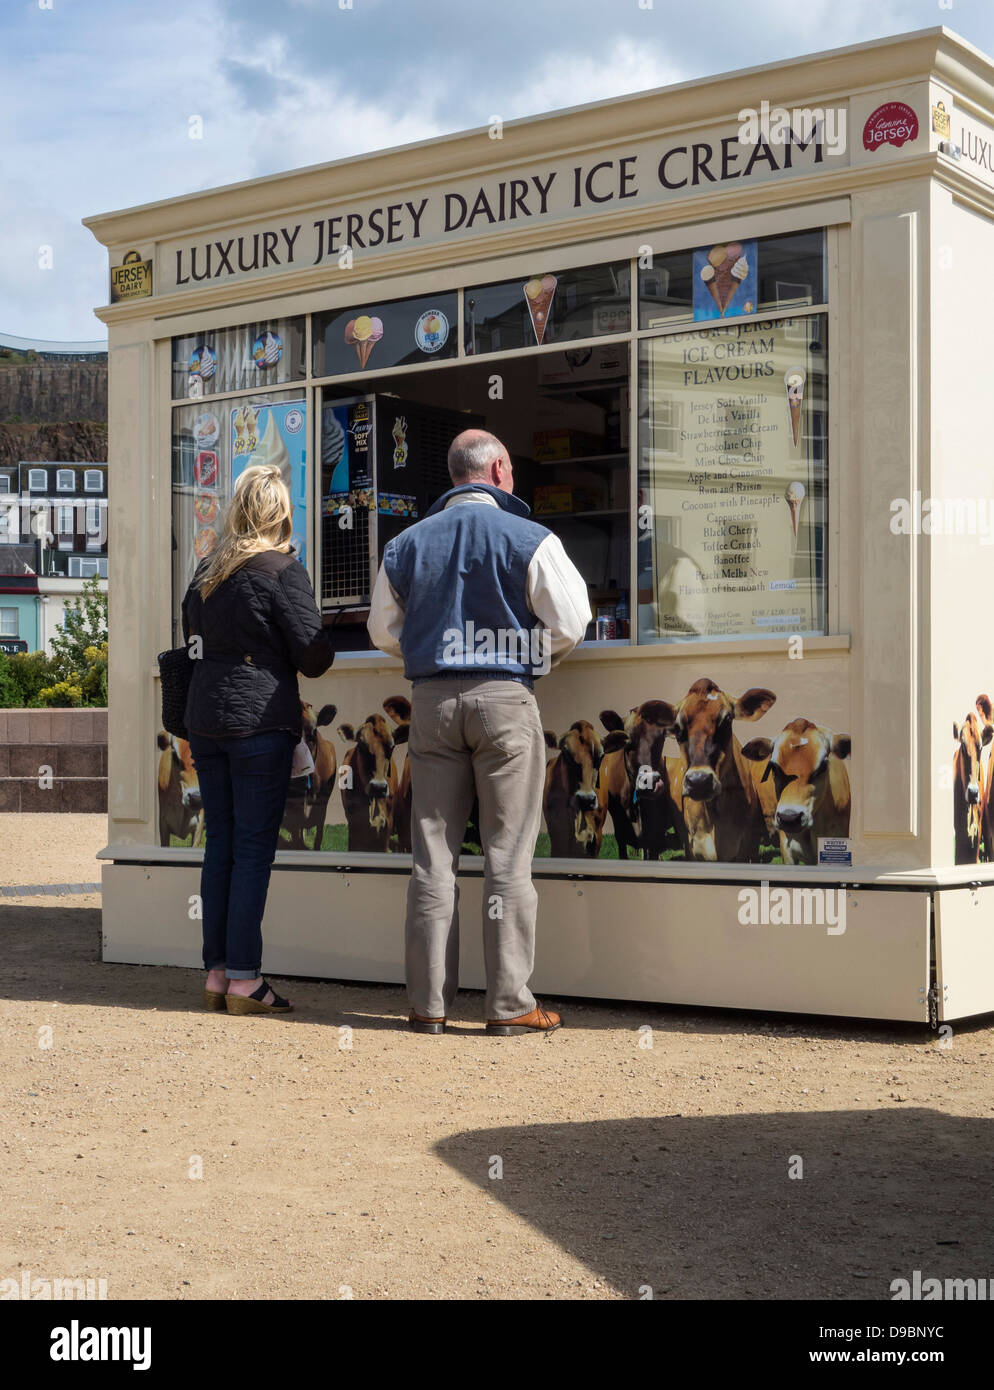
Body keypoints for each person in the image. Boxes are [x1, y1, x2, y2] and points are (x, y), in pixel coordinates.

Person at [367, 429, 591, 1036]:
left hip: (432, 703)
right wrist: (530, 655)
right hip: (504, 699)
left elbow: (383, 632)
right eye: (512, 469)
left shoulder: (404, 545)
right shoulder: (533, 538)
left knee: (432, 859)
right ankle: (510, 1007)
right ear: (497, 470)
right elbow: (572, 621)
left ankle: (427, 1006)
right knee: (508, 858)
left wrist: (436, 650)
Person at [182, 463, 335, 1015]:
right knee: (251, 850)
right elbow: (312, 657)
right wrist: (329, 625)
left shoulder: (206, 572)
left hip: (205, 721)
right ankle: (246, 980)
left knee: (219, 843)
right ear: (280, 514)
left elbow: (193, 640)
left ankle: (217, 973)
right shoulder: (281, 570)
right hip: (258, 723)